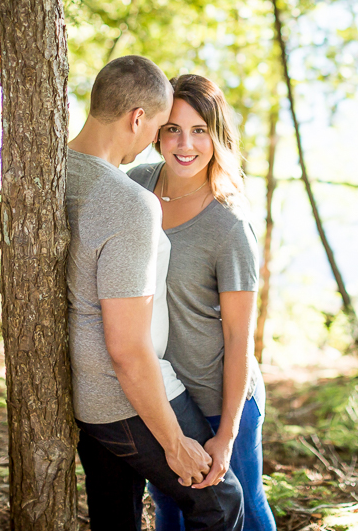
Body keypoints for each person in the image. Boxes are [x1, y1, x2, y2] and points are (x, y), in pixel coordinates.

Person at [66, 56, 244, 531]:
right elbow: (126, 348)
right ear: (138, 119)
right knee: (220, 502)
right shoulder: (130, 198)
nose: (167, 143)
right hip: (124, 394)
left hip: (81, 387)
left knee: (115, 516)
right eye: (165, 128)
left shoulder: (54, 173)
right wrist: (172, 440)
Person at [128, 74, 276, 531]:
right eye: (172, 128)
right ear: (155, 130)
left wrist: (227, 434)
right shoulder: (136, 186)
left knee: (242, 508)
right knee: (170, 506)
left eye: (199, 130)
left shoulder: (229, 225)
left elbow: (238, 336)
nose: (184, 143)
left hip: (219, 398)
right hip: (163, 393)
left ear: (217, 135)